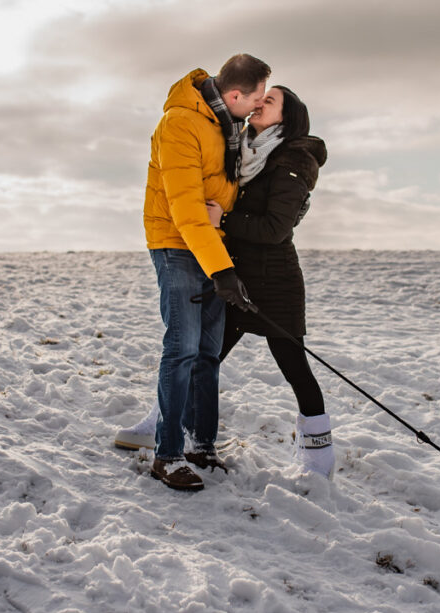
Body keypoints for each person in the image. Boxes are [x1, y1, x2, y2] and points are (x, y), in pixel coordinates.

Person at [142, 54, 270, 491]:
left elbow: (223, 197)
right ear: (234, 94)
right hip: (177, 246)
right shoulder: (180, 124)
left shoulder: (227, 125)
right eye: (254, 100)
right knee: (181, 350)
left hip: (214, 248)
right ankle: (167, 455)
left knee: (208, 354)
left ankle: (202, 445)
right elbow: (186, 208)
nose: (257, 107)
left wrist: (226, 256)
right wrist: (223, 269)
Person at [207, 85, 334, 479]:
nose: (259, 104)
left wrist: (223, 221)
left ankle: (317, 460)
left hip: (275, 283)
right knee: (203, 358)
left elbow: (276, 228)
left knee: (294, 365)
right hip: (238, 276)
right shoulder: (245, 154)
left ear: (288, 117)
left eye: (270, 101)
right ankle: (162, 423)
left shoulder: (294, 159)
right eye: (259, 99)